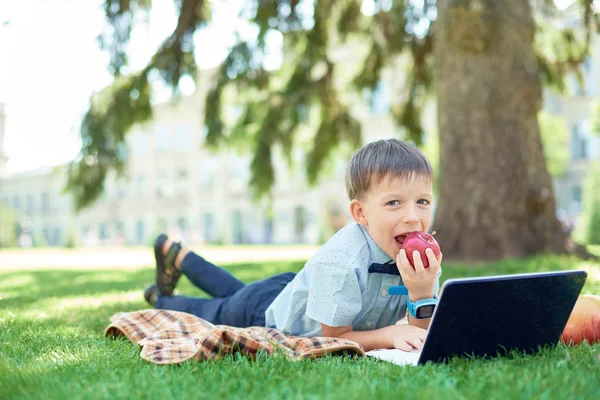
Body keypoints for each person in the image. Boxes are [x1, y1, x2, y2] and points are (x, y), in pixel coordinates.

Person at [144, 138, 442, 352]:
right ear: (360, 213)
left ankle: (178, 254)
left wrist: (421, 292)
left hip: (295, 293)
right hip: (264, 311)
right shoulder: (341, 261)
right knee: (216, 310)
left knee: (235, 292)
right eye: (393, 202)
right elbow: (335, 337)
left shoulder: (424, 260)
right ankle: (161, 299)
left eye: (422, 202)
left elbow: (418, 336)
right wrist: (387, 334)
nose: (413, 217)